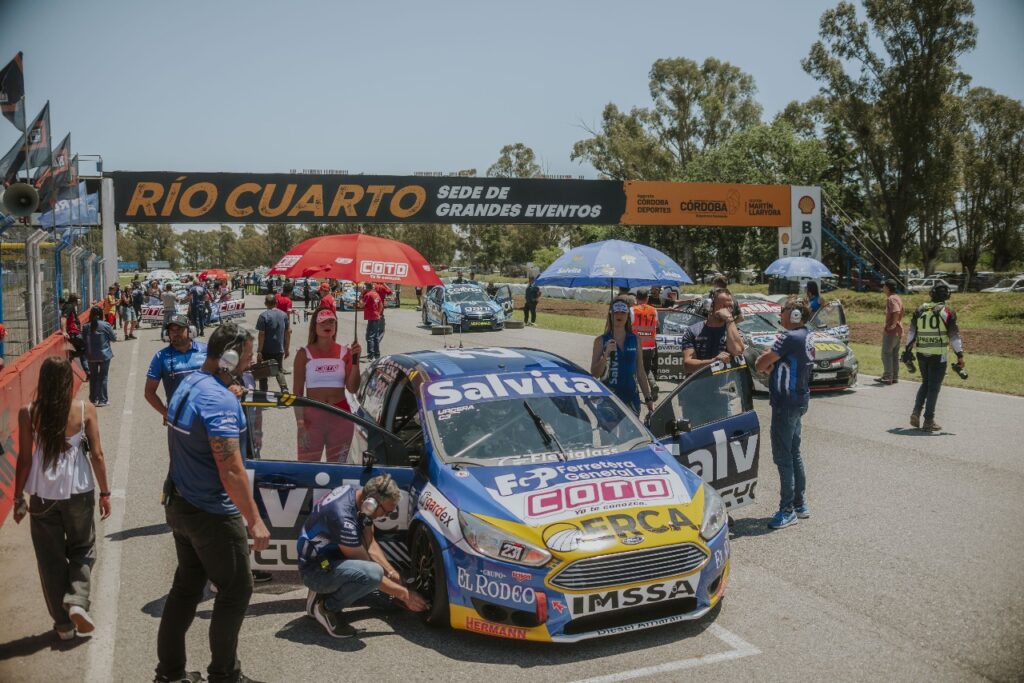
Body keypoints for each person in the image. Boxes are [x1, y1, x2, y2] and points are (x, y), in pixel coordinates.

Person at [155, 323, 270, 683]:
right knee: (237, 590)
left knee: (187, 588)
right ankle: (225, 675)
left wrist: (227, 391)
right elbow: (231, 470)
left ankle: (170, 674)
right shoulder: (219, 401)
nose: (251, 363)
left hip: (179, 501)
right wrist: (254, 520)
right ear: (230, 356)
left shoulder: (190, 383)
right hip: (210, 514)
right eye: (248, 356)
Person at [13, 356, 111, 641]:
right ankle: (78, 601)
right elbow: (97, 455)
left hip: (43, 495)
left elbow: (24, 460)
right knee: (83, 548)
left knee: (50, 558)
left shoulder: (28, 411)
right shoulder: (85, 410)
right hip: (79, 491)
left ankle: (63, 625)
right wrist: (105, 493)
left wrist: (19, 497)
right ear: (69, 380)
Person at [298, 475, 428, 638]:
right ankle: (326, 607)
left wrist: (391, 572)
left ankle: (324, 592)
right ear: (371, 503)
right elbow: (366, 568)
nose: (386, 516)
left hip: (328, 559)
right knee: (373, 576)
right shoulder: (342, 517)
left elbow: (370, 543)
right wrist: (405, 594)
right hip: (315, 570)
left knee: (388, 600)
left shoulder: (358, 496)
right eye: (386, 511)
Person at [755, 297, 815, 530]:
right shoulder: (806, 334)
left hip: (785, 403)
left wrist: (768, 355)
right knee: (793, 453)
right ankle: (800, 504)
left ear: (795, 316)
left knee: (783, 457)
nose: (780, 314)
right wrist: (772, 358)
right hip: (799, 400)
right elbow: (777, 363)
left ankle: (787, 509)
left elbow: (761, 364)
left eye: (784, 311)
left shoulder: (789, 337)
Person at [293, 309, 362, 462]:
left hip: (341, 417)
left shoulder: (346, 352)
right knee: (307, 468)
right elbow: (297, 393)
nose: (328, 324)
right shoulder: (303, 354)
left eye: (331, 321)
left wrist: (356, 361)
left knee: (338, 469)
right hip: (312, 418)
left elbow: (352, 388)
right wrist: (300, 423)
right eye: (323, 321)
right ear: (314, 326)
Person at [903, 283, 965, 432]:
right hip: (939, 355)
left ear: (931, 294)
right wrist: (960, 356)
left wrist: (907, 351)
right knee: (934, 388)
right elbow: (954, 337)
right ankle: (929, 421)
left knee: (925, 383)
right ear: (947, 296)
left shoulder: (920, 309)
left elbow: (912, 333)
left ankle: (916, 412)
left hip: (921, 353)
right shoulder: (948, 312)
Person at [590, 300, 655, 415]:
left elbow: (640, 371)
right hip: (608, 400)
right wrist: (605, 355)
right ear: (611, 315)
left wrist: (648, 398)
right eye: (616, 312)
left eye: (623, 312)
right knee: (609, 433)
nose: (619, 315)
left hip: (631, 399)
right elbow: (595, 373)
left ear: (628, 316)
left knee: (632, 433)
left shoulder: (635, 339)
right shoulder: (600, 341)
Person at [145, 314, 208, 420]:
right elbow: (149, 392)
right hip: (181, 420)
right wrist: (167, 414)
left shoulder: (207, 350)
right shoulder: (160, 357)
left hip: (208, 414)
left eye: (179, 329)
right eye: (171, 330)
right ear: (167, 334)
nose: (175, 333)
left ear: (190, 330)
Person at [679, 289, 745, 375]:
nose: (728, 311)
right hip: (699, 384)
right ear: (710, 306)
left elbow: (737, 351)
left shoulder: (733, 330)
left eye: (730, 307)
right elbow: (688, 366)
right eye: (724, 306)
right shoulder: (692, 331)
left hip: (726, 385)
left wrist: (729, 320)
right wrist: (713, 362)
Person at [83, 306, 117, 407]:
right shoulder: (106, 325)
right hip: (104, 355)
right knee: (103, 377)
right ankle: (103, 400)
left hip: (91, 355)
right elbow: (114, 338)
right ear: (101, 314)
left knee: (93, 377)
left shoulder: (86, 326)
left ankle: (93, 399)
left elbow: (84, 340)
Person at [255, 294, 290, 393]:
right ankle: (284, 388)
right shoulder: (284, 315)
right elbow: (288, 333)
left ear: (265, 303)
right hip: (279, 348)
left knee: (263, 371)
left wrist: (259, 351)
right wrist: (286, 348)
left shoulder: (263, 316)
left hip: (266, 349)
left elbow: (261, 335)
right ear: (276, 302)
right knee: (278, 369)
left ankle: (263, 392)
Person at [631, 290, 659, 399]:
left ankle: (635, 391)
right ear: (647, 298)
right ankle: (653, 385)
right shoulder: (654, 310)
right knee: (647, 369)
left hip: (637, 346)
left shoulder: (633, 310)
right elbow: (657, 325)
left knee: (634, 368)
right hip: (650, 346)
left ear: (636, 298)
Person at [879, 279, 904, 385]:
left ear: (888, 288)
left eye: (884, 286)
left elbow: (896, 311)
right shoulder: (897, 297)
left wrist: (893, 324)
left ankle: (887, 377)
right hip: (898, 330)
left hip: (892, 331)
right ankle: (894, 377)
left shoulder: (891, 299)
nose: (883, 288)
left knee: (886, 353)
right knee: (894, 354)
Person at [360, 282, 384, 361]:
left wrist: (360, 296)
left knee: (369, 336)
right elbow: (381, 305)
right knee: (375, 336)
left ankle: (371, 355)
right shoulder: (376, 294)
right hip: (376, 316)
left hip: (371, 317)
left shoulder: (368, 295)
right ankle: (377, 354)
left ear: (366, 287)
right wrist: (379, 313)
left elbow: (361, 305)